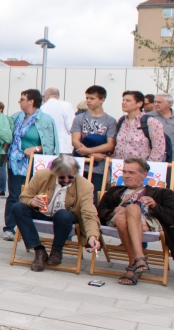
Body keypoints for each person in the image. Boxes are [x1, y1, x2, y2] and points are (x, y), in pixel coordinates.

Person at [10, 155, 101, 272]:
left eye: (71, 177)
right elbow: (24, 197)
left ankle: (57, 250)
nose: (67, 180)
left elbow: (89, 213)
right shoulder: (41, 175)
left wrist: (92, 236)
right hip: (42, 212)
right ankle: (39, 250)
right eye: (62, 177)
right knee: (17, 207)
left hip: (65, 217)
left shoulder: (85, 186)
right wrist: (32, 202)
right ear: (54, 172)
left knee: (62, 214)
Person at [97, 156, 174, 285]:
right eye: (124, 172)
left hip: (148, 221)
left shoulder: (162, 193)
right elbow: (99, 211)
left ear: (144, 175)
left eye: (131, 172)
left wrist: (155, 206)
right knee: (122, 217)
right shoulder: (114, 191)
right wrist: (112, 212)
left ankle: (134, 263)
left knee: (131, 209)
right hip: (117, 220)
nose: (126, 176)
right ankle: (139, 259)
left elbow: (171, 217)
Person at [2, 89, 58, 240]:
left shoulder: (45, 120)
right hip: (15, 161)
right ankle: (9, 228)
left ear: (31, 101)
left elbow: (50, 145)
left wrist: (37, 148)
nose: (19, 102)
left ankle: (31, 225)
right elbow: (8, 136)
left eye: (22, 99)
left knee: (34, 195)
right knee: (14, 195)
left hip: (35, 164)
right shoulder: (16, 117)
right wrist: (4, 152)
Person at [71, 85, 117, 197]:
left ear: (102, 100)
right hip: (80, 164)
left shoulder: (110, 121)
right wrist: (91, 154)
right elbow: (75, 141)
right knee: (76, 196)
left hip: (99, 167)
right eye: (87, 98)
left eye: (92, 98)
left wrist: (88, 151)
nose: (88, 101)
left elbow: (110, 145)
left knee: (95, 197)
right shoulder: (79, 118)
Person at [112, 90, 166, 162]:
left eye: (128, 100)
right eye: (123, 100)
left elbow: (158, 149)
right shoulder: (122, 121)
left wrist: (148, 168)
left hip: (140, 170)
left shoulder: (151, 122)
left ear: (139, 104)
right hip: (119, 168)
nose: (124, 102)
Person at [40, 87, 76, 154]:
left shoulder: (42, 108)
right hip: (64, 147)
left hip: (47, 148)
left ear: (47, 95)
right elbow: (71, 127)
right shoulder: (66, 105)